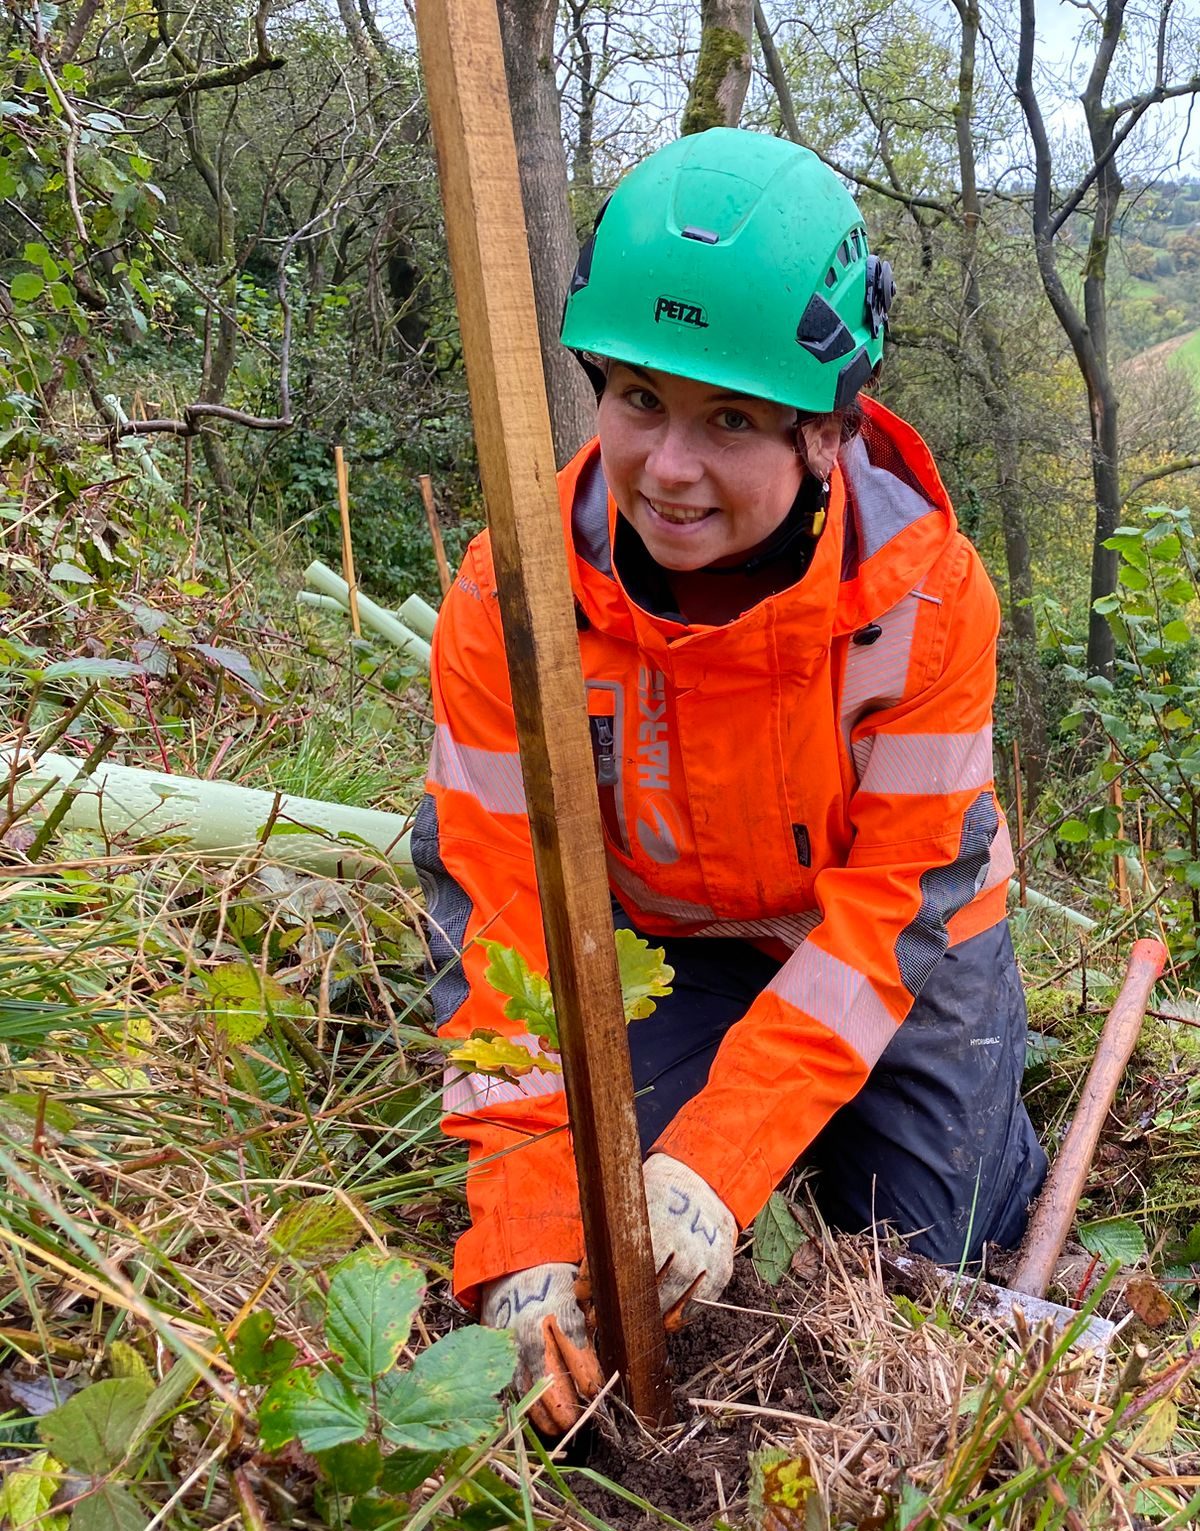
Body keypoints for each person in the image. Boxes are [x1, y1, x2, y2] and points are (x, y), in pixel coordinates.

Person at [412, 127, 1046, 1434]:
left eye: (734, 420)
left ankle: (955, 1123)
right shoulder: (511, 599)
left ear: (827, 435)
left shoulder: (925, 601)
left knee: (932, 1261)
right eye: (640, 398)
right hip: (677, 949)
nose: (670, 466)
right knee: (597, 1247)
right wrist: (524, 1234)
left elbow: (891, 913)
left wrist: (722, 1158)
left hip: (902, 955)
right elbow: (498, 916)